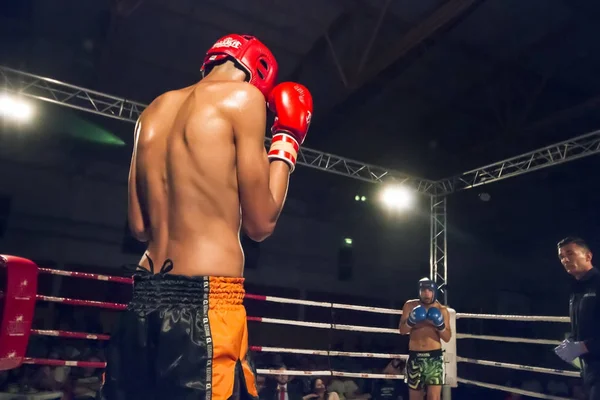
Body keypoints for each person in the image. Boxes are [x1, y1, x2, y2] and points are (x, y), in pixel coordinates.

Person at [101, 33, 313, 400]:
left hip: (142, 302)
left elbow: (138, 226)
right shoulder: (244, 99)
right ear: (259, 73)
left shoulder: (152, 110)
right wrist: (286, 142)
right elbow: (260, 223)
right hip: (205, 307)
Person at [555, 237, 600, 400]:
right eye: (561, 256)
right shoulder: (576, 289)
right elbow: (581, 324)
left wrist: (585, 346)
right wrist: (572, 342)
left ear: (588, 256)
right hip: (589, 367)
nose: (565, 259)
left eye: (570, 253)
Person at [398, 278, 452, 400]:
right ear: (419, 291)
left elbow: (447, 337)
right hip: (415, 357)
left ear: (434, 292)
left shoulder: (442, 310)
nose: (426, 293)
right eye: (423, 290)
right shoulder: (410, 305)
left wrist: (440, 325)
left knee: (434, 397)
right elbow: (402, 330)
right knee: (415, 397)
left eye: (429, 290)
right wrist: (411, 321)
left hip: (434, 358)